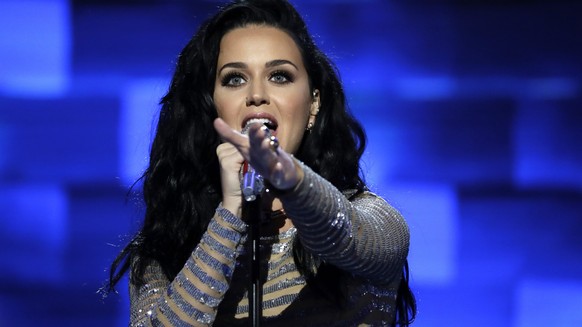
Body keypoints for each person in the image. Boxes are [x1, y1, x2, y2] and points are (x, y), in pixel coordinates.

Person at [107, 0, 416, 325]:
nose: (256, 93)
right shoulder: (167, 249)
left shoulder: (375, 221)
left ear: (314, 105)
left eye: (280, 76)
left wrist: (291, 178)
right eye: (234, 79)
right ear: (211, 108)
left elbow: (346, 237)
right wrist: (230, 215)